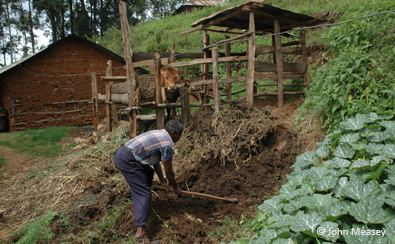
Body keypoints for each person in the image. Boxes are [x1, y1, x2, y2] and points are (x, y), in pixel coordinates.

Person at [114, 119, 183, 244]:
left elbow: (155, 161)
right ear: (173, 133)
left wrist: (162, 182)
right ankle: (140, 235)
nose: (180, 138)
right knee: (144, 194)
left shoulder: (160, 133)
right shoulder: (168, 144)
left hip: (124, 153)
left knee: (149, 172)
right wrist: (176, 187)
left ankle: (141, 198)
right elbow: (169, 172)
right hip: (127, 159)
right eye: (179, 135)